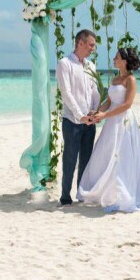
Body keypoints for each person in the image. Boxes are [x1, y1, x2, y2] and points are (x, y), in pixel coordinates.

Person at [77, 47, 140, 212]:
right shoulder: (115, 79)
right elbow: (109, 100)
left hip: (123, 121)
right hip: (110, 121)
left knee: (122, 156)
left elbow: (127, 104)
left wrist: (105, 115)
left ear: (124, 61)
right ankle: (102, 191)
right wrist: (98, 111)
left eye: (117, 58)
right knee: (105, 153)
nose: (114, 60)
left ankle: (122, 193)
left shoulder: (131, 80)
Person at [55, 29, 100, 207]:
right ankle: (65, 197)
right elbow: (66, 93)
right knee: (70, 159)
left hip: (89, 120)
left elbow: (94, 92)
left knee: (86, 160)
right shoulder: (64, 63)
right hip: (72, 121)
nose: (92, 49)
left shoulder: (91, 66)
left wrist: (94, 112)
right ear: (80, 43)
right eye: (91, 45)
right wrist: (80, 116)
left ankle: (81, 194)